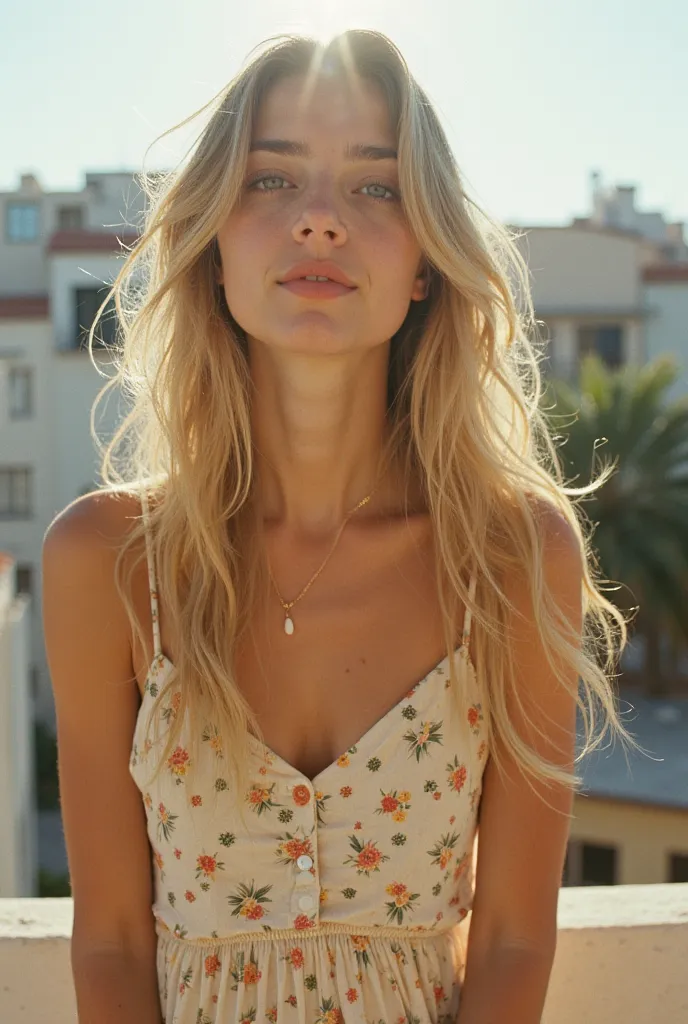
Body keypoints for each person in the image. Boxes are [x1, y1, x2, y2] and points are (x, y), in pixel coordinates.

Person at [42, 29, 638, 1024]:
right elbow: (107, 940)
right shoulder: (104, 561)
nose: (318, 221)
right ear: (215, 244)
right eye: (272, 180)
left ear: (423, 266)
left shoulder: (513, 555)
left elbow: (513, 939)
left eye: (375, 187)